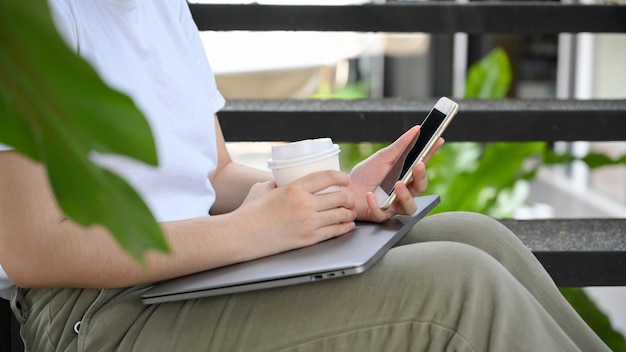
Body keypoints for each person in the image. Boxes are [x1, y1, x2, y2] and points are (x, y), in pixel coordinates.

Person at [0, 1, 610, 351]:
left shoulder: (162, 8)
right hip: (98, 313)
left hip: (192, 271)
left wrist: (325, 196)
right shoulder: (28, 20)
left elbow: (211, 176)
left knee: (480, 238)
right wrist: (255, 233)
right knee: (458, 288)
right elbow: (34, 248)